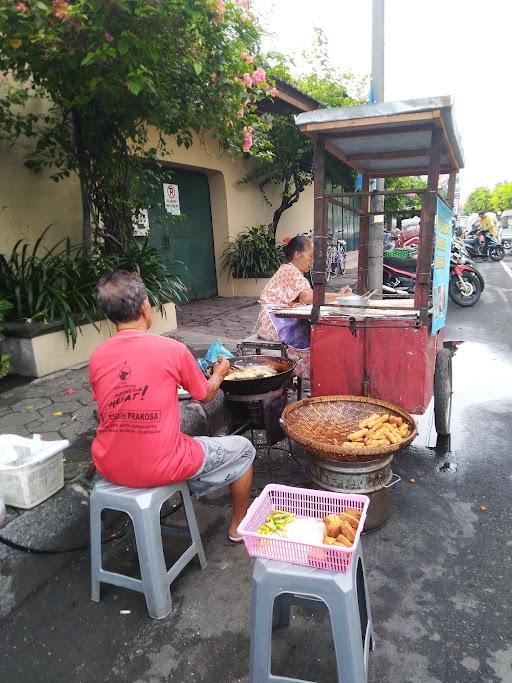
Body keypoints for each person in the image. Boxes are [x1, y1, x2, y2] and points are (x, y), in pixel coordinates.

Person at [89, 270, 255, 543]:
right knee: (245, 450)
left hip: (108, 464)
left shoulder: (97, 356)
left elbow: (104, 408)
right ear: (145, 307)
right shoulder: (172, 349)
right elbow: (204, 396)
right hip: (161, 465)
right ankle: (237, 527)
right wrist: (220, 372)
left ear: (109, 315)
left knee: (179, 441)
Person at [257, 234, 352, 378]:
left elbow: (308, 296)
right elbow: (308, 297)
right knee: (317, 338)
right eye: (310, 256)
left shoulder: (291, 271)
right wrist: (339, 296)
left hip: (278, 319)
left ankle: (315, 374)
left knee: (316, 333)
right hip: (274, 324)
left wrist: (337, 295)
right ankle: (316, 375)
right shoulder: (290, 271)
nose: (313, 261)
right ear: (297, 254)